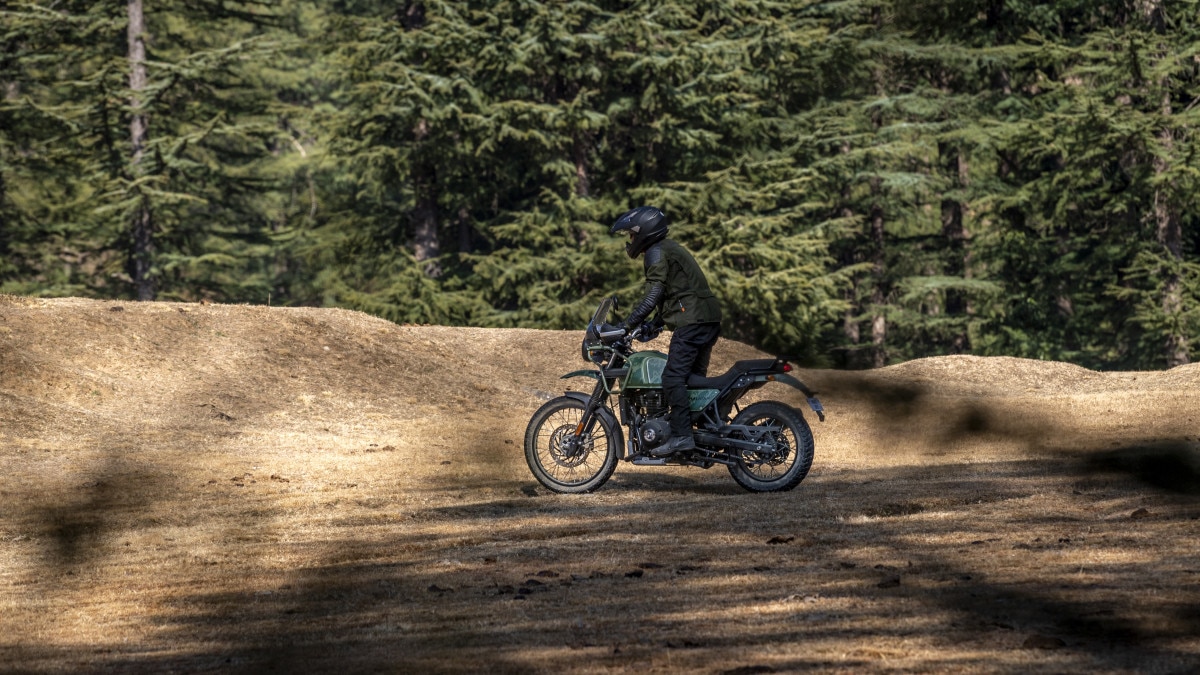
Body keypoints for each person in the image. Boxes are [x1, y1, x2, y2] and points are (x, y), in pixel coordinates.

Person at [610, 206, 722, 455]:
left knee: (672, 379)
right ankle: (701, 434)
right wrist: (654, 324)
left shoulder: (656, 252)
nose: (630, 240)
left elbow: (653, 295)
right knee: (692, 382)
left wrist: (625, 326)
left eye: (631, 235)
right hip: (705, 319)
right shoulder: (667, 248)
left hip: (692, 322)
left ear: (644, 232)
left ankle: (682, 437)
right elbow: (678, 293)